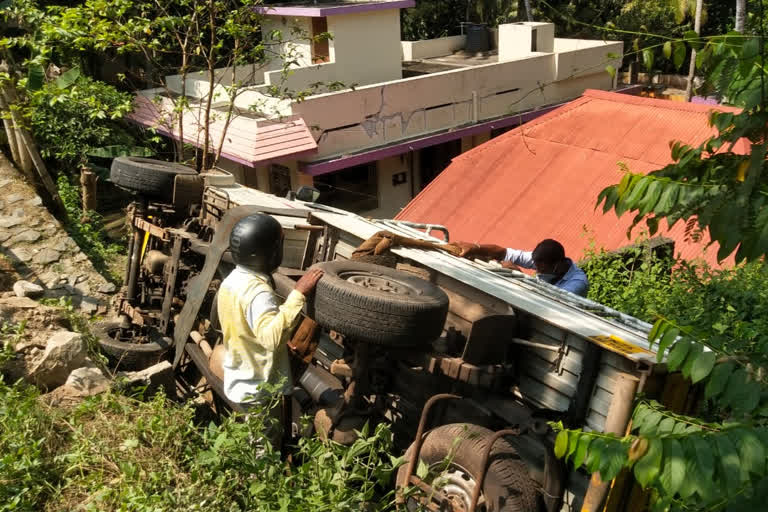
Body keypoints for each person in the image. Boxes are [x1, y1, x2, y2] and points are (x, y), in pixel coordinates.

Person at [217, 213, 323, 439]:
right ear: (270, 252)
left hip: (241, 376)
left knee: (252, 439)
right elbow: (270, 338)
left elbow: (246, 326)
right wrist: (298, 293)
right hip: (259, 387)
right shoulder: (259, 293)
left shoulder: (232, 281)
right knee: (264, 449)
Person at [455, 238, 589, 297]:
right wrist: (476, 248)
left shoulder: (577, 284)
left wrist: (519, 275)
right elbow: (504, 252)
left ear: (558, 265)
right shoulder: (543, 260)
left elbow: (553, 301)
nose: (537, 271)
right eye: (536, 267)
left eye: (541, 270)